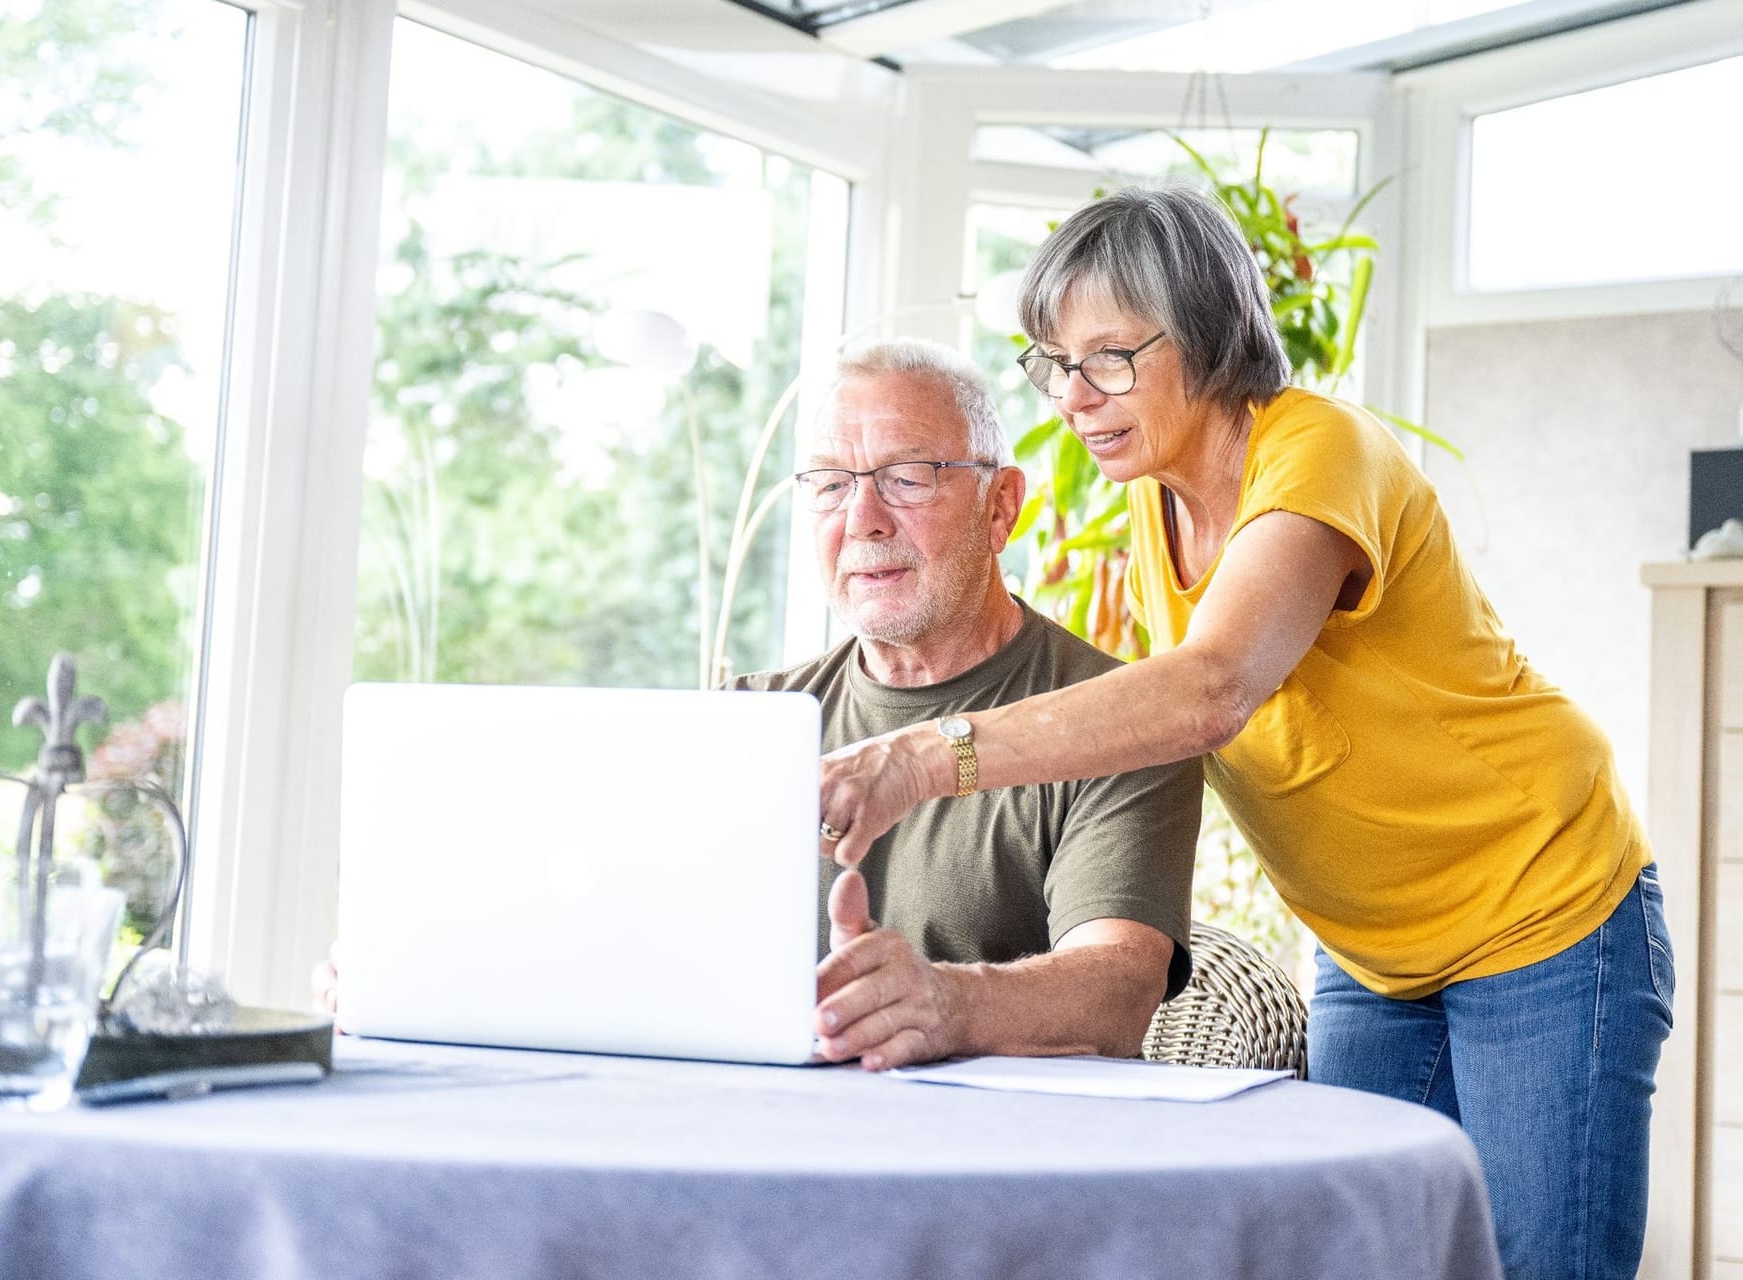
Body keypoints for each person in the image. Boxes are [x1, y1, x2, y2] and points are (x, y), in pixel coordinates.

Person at [814, 185, 1672, 1280]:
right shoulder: (1154, 497)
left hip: (1545, 908)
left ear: (1210, 332)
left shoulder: (1317, 452)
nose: (1075, 395)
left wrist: (927, 754)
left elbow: (1210, 688)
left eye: (1110, 358)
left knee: (1537, 1267)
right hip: (1372, 951)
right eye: (1055, 362)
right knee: (1362, 1250)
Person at [317, 338, 1204, 1074]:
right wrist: (427, 969)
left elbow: (1118, 991)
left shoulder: (1118, 717)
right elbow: (606, 934)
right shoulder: (744, 724)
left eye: (907, 476)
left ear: (1001, 504)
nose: (862, 518)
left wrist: (951, 1002)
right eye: (827, 482)